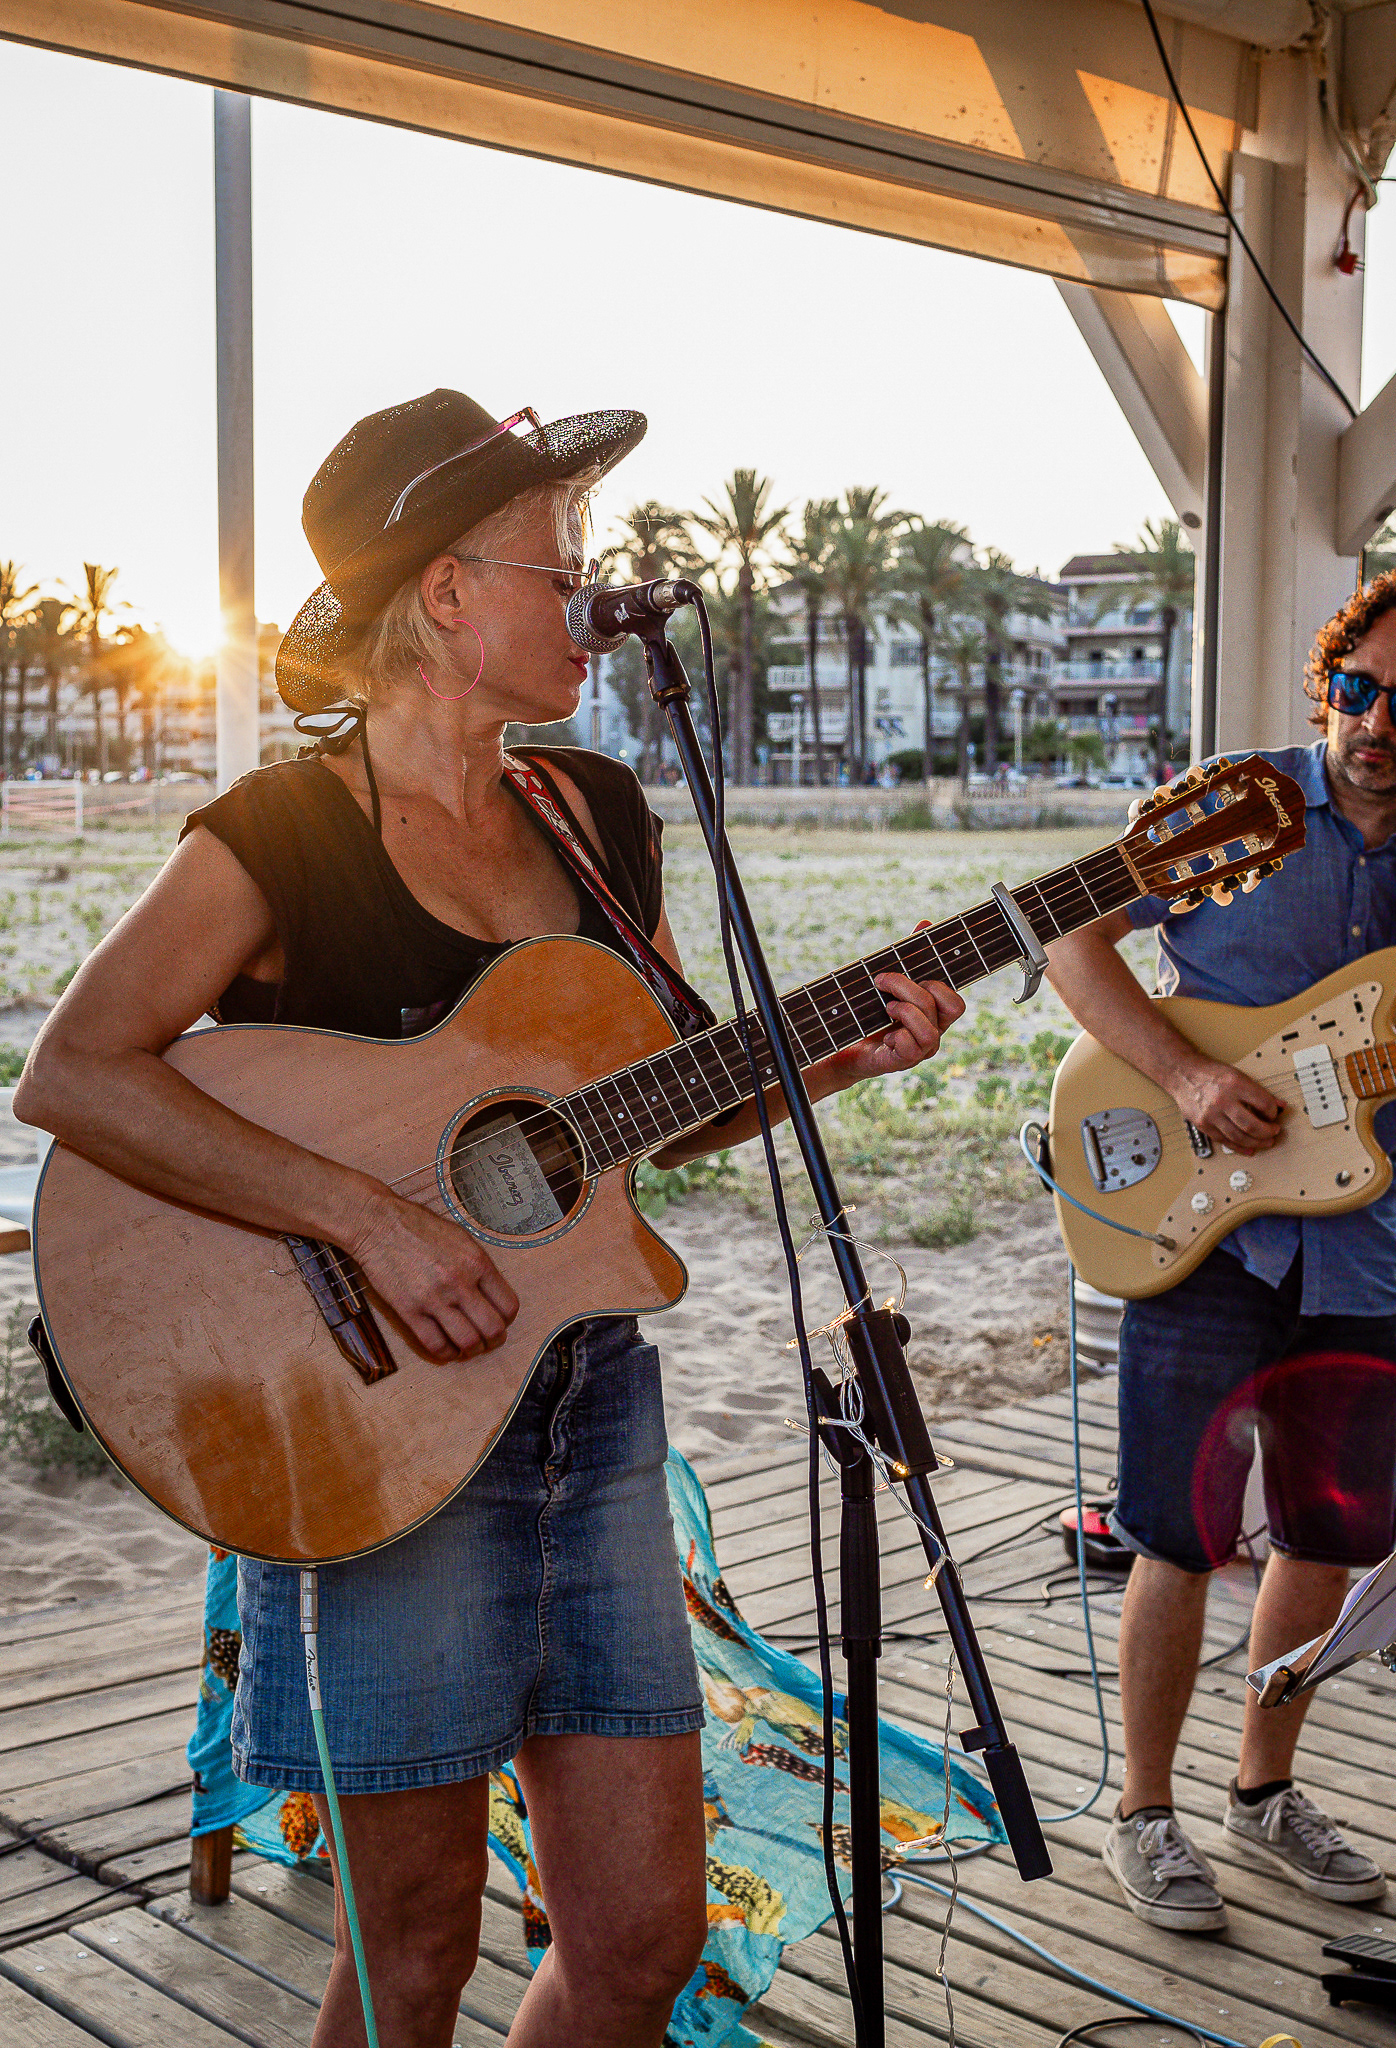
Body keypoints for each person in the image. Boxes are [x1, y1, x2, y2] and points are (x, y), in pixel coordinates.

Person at [16, 389, 963, 2048]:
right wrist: (367, 1221)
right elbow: (78, 1075)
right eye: (559, 566)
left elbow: (660, 1100)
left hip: (588, 1416)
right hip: (369, 1429)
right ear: (446, 596)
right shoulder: (282, 832)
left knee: (645, 1939)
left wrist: (840, 1053)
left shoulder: (593, 817)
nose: (595, 600)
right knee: (414, 1950)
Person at [1044, 559, 1396, 1933]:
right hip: (1198, 1233)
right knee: (1175, 1534)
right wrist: (1187, 1079)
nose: (1373, 722)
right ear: (1323, 683)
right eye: (1353, 688)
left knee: (1324, 1540)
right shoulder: (1232, 802)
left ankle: (1262, 1794)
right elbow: (1071, 944)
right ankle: (1142, 1817)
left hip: (1354, 1253)